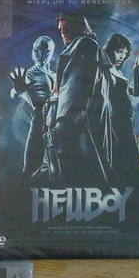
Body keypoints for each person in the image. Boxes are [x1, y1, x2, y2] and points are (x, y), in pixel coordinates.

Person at [39, 14, 112, 183]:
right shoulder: (77, 48)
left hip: (72, 123)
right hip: (64, 122)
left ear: (79, 27)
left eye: (67, 28)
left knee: (79, 175)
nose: (63, 33)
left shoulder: (84, 45)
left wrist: (64, 121)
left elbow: (77, 85)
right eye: (61, 30)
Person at [101, 33, 139, 183]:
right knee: (123, 154)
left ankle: (131, 186)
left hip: (126, 119)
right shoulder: (106, 70)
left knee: (129, 154)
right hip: (116, 119)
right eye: (118, 51)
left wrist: (136, 70)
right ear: (110, 50)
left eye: (124, 53)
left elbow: (135, 92)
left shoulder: (118, 72)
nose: (122, 56)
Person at [8, 35, 57, 178]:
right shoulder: (30, 73)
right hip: (39, 117)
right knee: (34, 160)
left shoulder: (53, 74)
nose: (41, 55)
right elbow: (14, 93)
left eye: (46, 51)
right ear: (33, 51)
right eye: (38, 50)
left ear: (52, 53)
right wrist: (19, 90)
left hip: (54, 118)